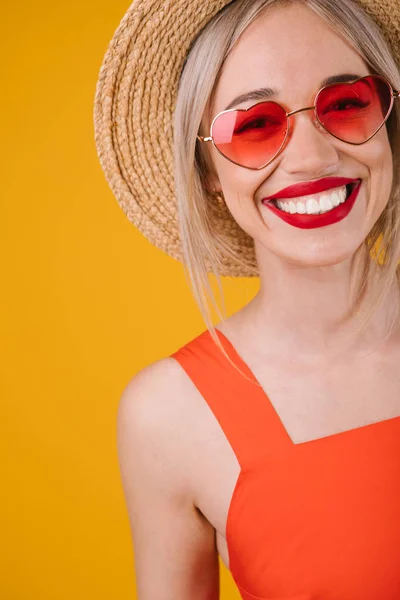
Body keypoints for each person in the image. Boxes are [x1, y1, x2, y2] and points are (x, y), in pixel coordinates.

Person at [94, 0, 400, 598]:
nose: (313, 158)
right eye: (256, 125)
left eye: (345, 104)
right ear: (207, 167)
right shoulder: (167, 416)